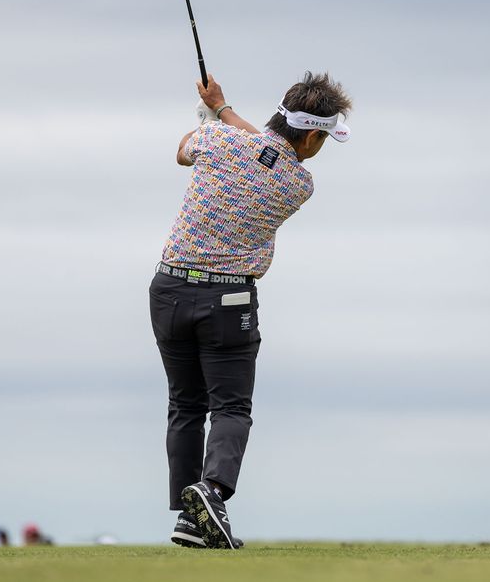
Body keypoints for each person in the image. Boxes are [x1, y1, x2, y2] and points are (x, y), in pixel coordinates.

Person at [149, 71, 352, 550]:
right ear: (310, 134)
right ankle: (213, 492)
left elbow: (184, 151)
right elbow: (266, 151)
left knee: (185, 406)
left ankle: (190, 518)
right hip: (229, 301)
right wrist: (222, 111)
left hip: (168, 289)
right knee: (232, 407)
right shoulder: (300, 183)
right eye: (323, 137)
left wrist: (214, 116)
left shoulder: (218, 141)